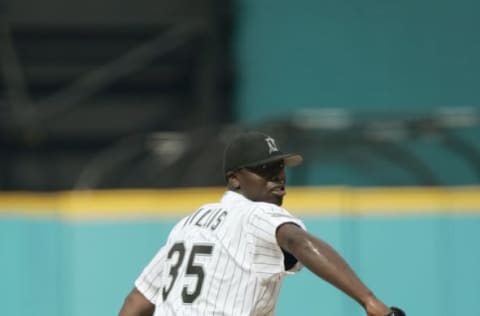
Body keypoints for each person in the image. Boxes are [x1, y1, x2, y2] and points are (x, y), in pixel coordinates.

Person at [119, 131, 405, 316]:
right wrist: (370, 301)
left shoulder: (188, 225)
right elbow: (298, 241)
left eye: (280, 168)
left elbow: (138, 301)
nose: (278, 177)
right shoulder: (256, 213)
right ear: (234, 178)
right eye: (265, 170)